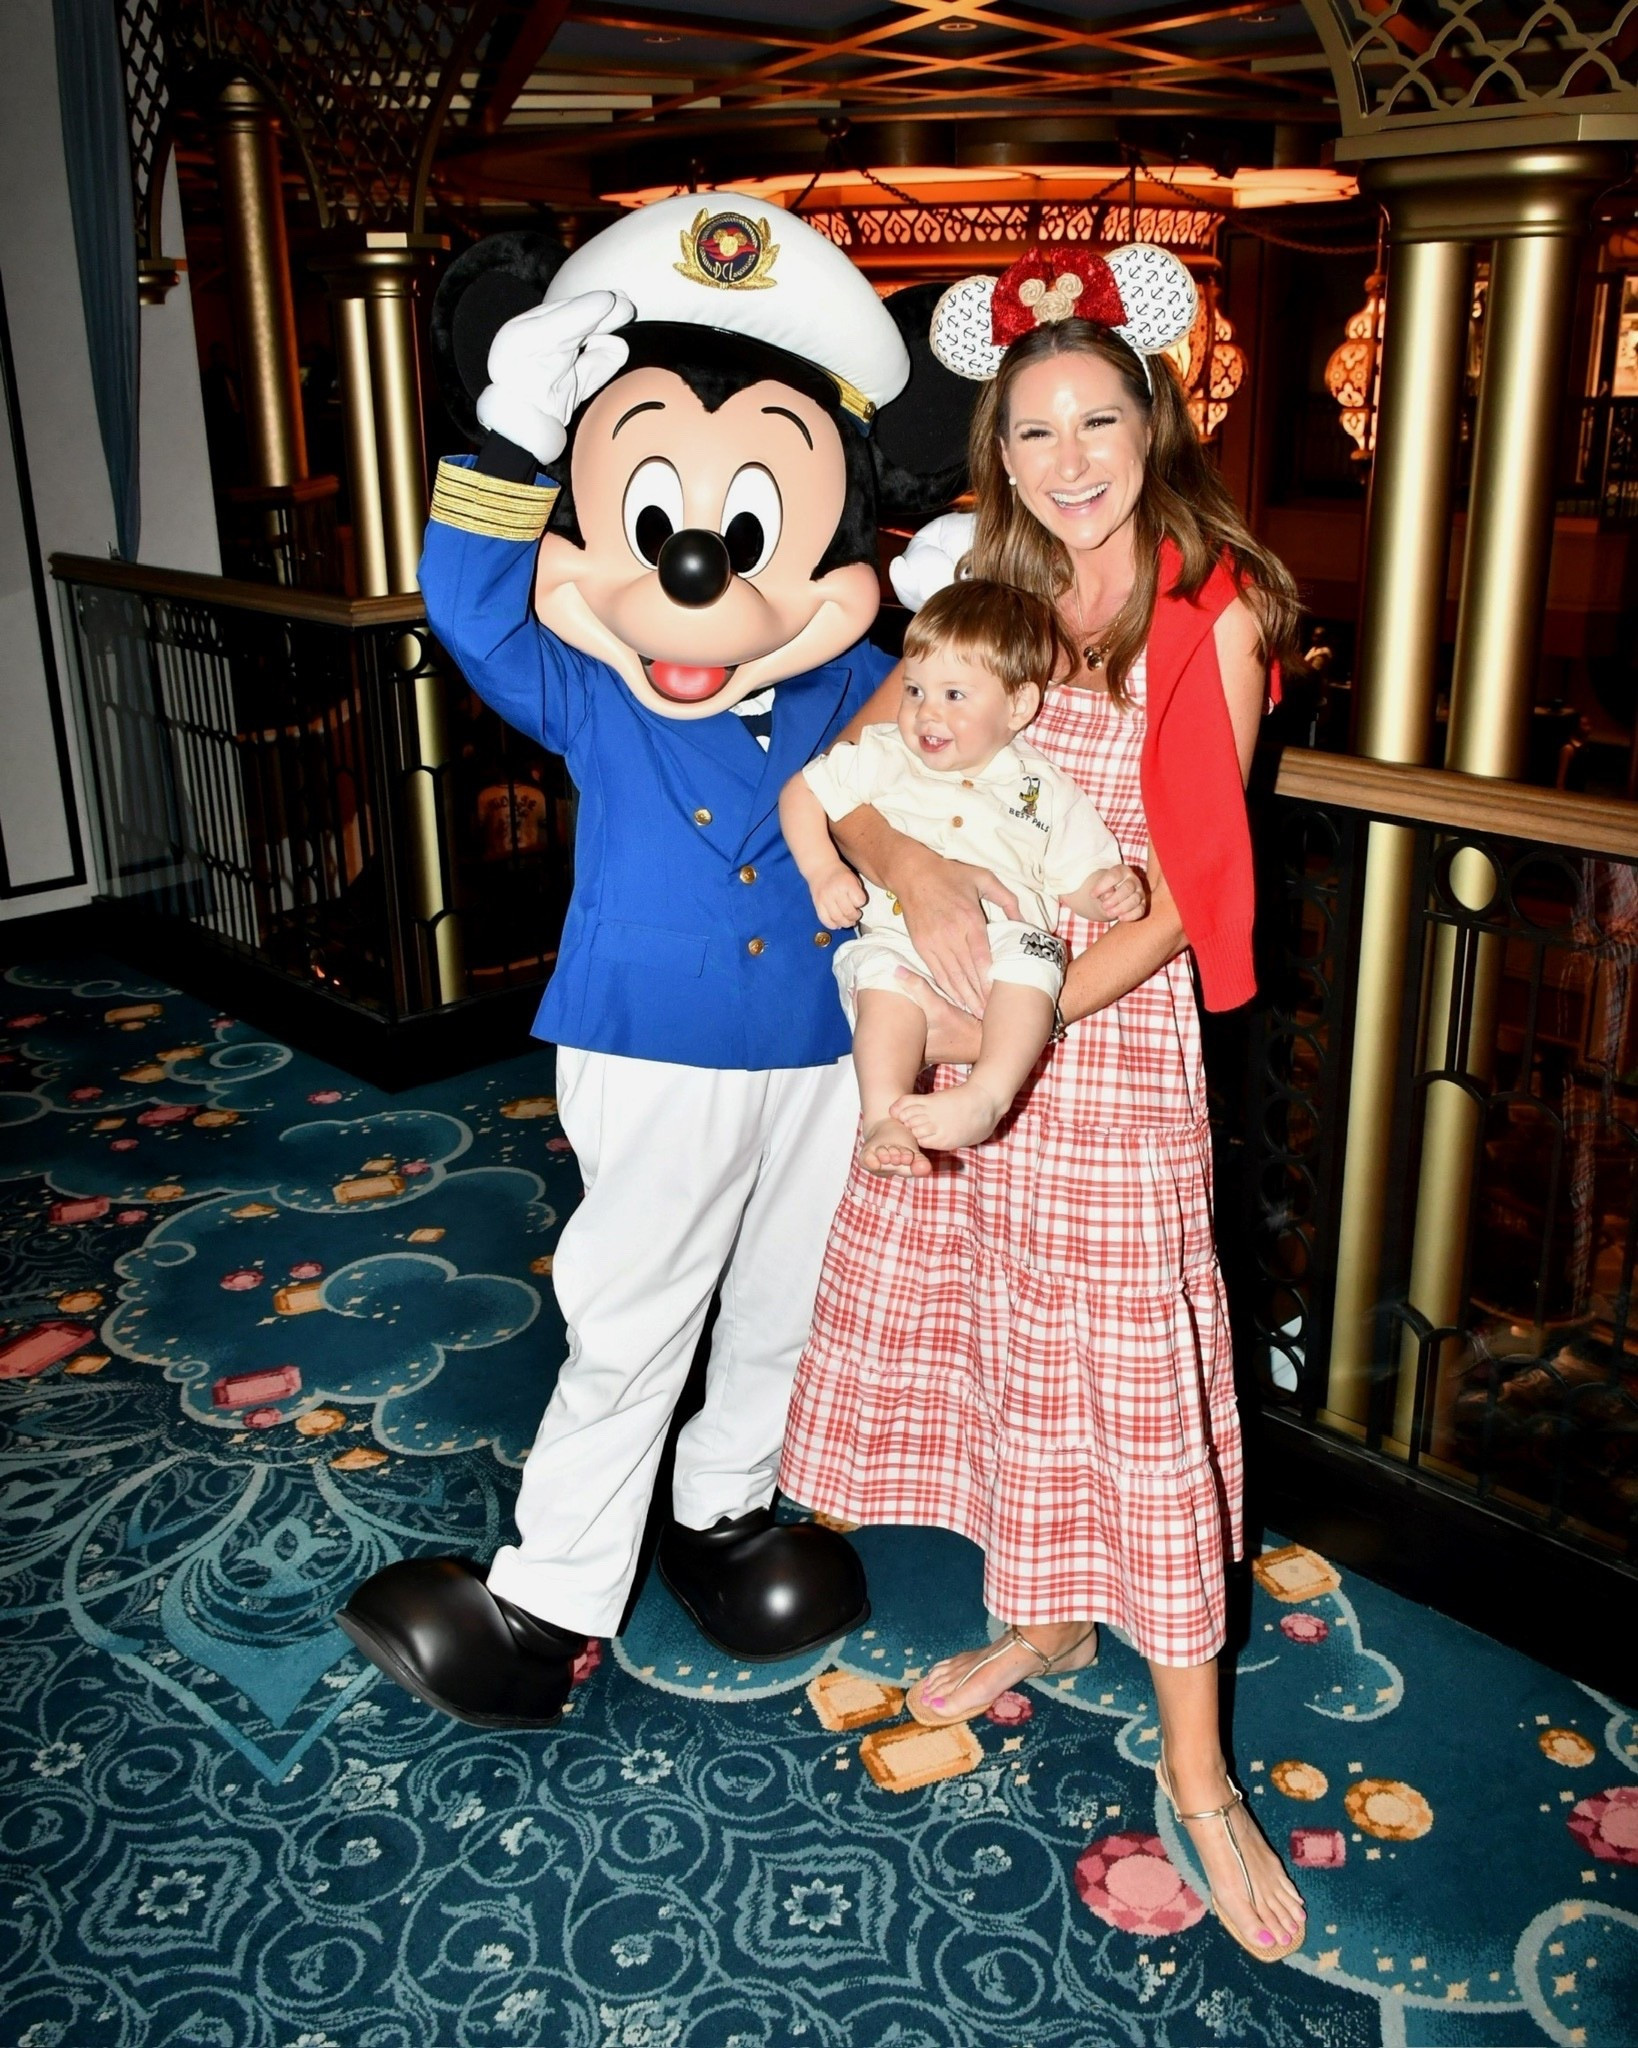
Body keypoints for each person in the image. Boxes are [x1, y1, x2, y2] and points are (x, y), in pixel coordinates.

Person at [778, 242, 1309, 1962]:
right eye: (1031, 429)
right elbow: (843, 780)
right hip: (962, 1031)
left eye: (1097, 417)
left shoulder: (1200, 614)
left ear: (1152, 417)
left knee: (1137, 1392)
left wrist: (1005, 1024)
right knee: (1013, 1341)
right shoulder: (975, 595)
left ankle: (1201, 1772)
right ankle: (1050, 1619)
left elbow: (1174, 896)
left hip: (1106, 1047)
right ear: (993, 450)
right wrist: (905, 891)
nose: (1068, 456)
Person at [780, 578, 1147, 1176]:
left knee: (1035, 961)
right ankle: (883, 1117)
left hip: (1005, 940)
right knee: (885, 993)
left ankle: (988, 1094)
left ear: (1019, 706)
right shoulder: (882, 752)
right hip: (899, 932)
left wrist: (1107, 891)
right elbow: (803, 792)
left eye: (955, 694)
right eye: (915, 689)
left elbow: (1074, 875)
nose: (927, 712)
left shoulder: (1040, 785)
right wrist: (822, 870)